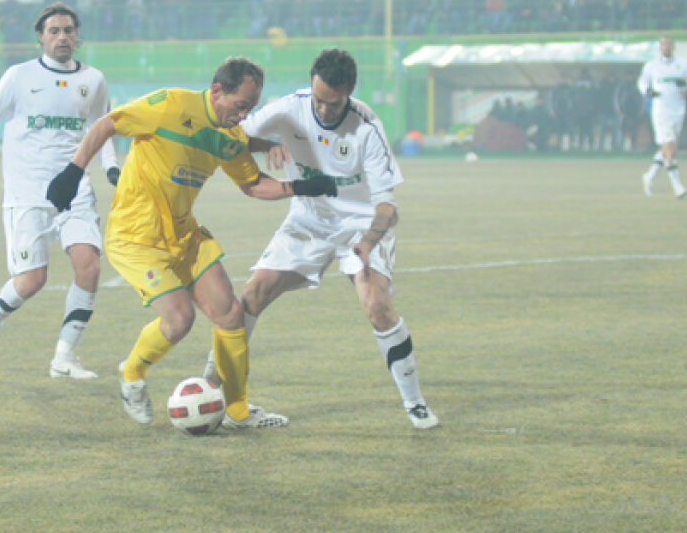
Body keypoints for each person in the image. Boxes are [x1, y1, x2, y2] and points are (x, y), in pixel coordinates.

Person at [45, 56, 337, 429]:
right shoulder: (169, 104)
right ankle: (132, 373)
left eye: (251, 107)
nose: (244, 115)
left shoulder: (230, 137)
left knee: (231, 314)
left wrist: (299, 187)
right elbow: (109, 124)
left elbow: (252, 185)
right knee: (180, 319)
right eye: (240, 105)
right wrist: (73, 170)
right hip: (136, 238)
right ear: (217, 91)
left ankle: (237, 412)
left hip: (184, 236)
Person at [199, 49, 440, 430]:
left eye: (334, 103)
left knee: (376, 304)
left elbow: (387, 208)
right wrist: (265, 145)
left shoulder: (367, 128)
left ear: (350, 92)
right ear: (311, 84)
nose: (324, 111)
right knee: (253, 293)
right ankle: (212, 390)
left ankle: (416, 404)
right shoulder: (288, 108)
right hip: (308, 218)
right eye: (319, 100)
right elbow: (231, 135)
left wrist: (367, 242)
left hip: (360, 224)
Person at [0, 2, 118, 379]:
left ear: (77, 35)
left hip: (75, 189)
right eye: (54, 30)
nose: (62, 37)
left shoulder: (94, 80)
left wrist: (112, 167)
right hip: (28, 195)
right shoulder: (19, 77)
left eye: (68, 30)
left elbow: (102, 128)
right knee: (32, 281)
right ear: (41, 37)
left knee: (90, 267)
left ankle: (64, 357)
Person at [638, 35, 687, 198]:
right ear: (659, 47)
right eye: (663, 44)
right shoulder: (652, 66)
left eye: (669, 44)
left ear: (674, 46)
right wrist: (647, 92)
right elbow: (642, 83)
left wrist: (686, 84)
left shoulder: (683, 64)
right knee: (670, 147)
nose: (666, 47)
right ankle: (677, 186)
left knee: (668, 148)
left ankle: (649, 175)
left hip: (678, 109)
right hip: (661, 111)